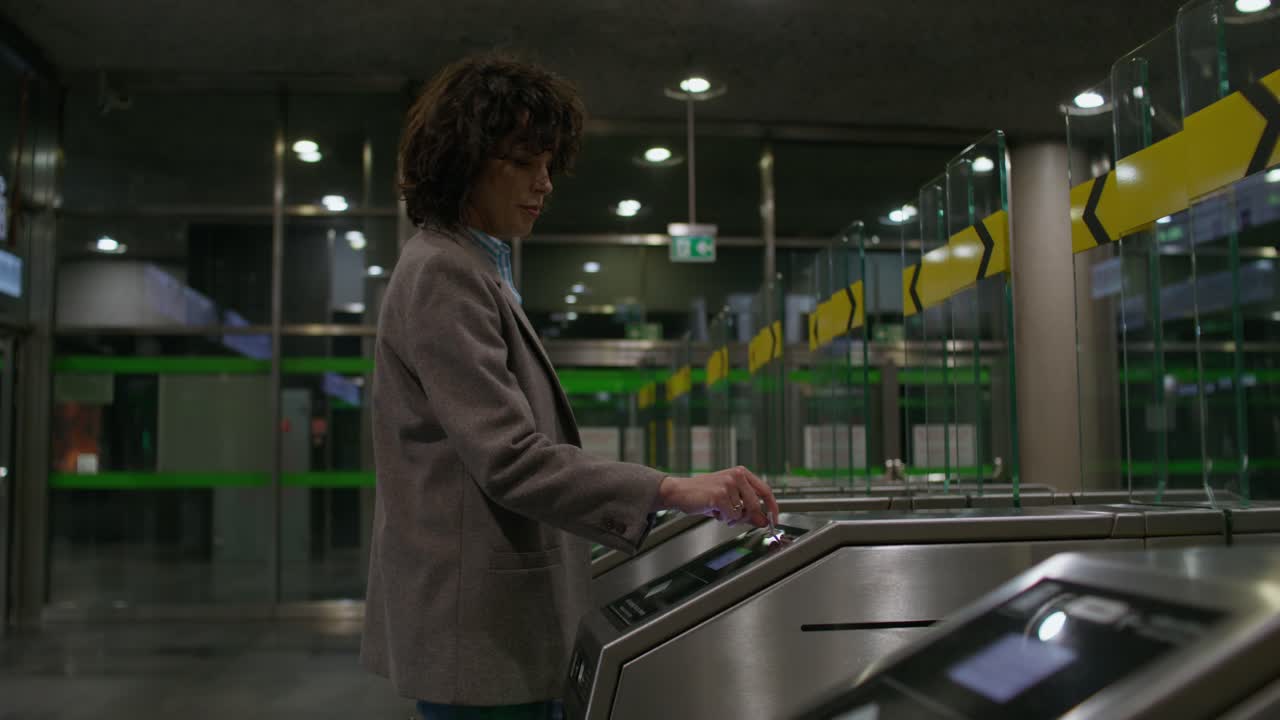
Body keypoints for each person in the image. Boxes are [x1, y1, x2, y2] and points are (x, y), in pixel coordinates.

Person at [361, 53, 780, 720]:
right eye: (524, 161)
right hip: (480, 633)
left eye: (549, 163)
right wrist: (671, 489)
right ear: (464, 161)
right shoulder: (444, 272)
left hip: (493, 625)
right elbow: (509, 457)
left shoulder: (476, 268)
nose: (545, 182)